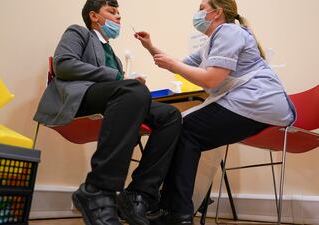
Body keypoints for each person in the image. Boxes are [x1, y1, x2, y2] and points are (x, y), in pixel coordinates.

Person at [134, 0, 296, 224]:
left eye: (202, 8)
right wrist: (150, 46)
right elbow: (180, 66)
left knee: (184, 129)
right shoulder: (212, 42)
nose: (198, 13)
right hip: (255, 104)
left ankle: (175, 211)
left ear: (216, 12)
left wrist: (171, 64)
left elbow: (210, 78)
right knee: (185, 132)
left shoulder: (229, 32)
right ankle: (174, 210)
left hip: (256, 101)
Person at [33, 0, 182, 225]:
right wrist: (120, 78)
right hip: (81, 98)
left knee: (170, 115)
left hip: (113, 101)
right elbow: (63, 65)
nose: (118, 17)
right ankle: (98, 189)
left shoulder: (113, 53)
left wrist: (127, 82)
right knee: (133, 89)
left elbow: (121, 87)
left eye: (119, 13)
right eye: (112, 12)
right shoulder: (79, 33)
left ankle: (137, 195)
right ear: (94, 16)